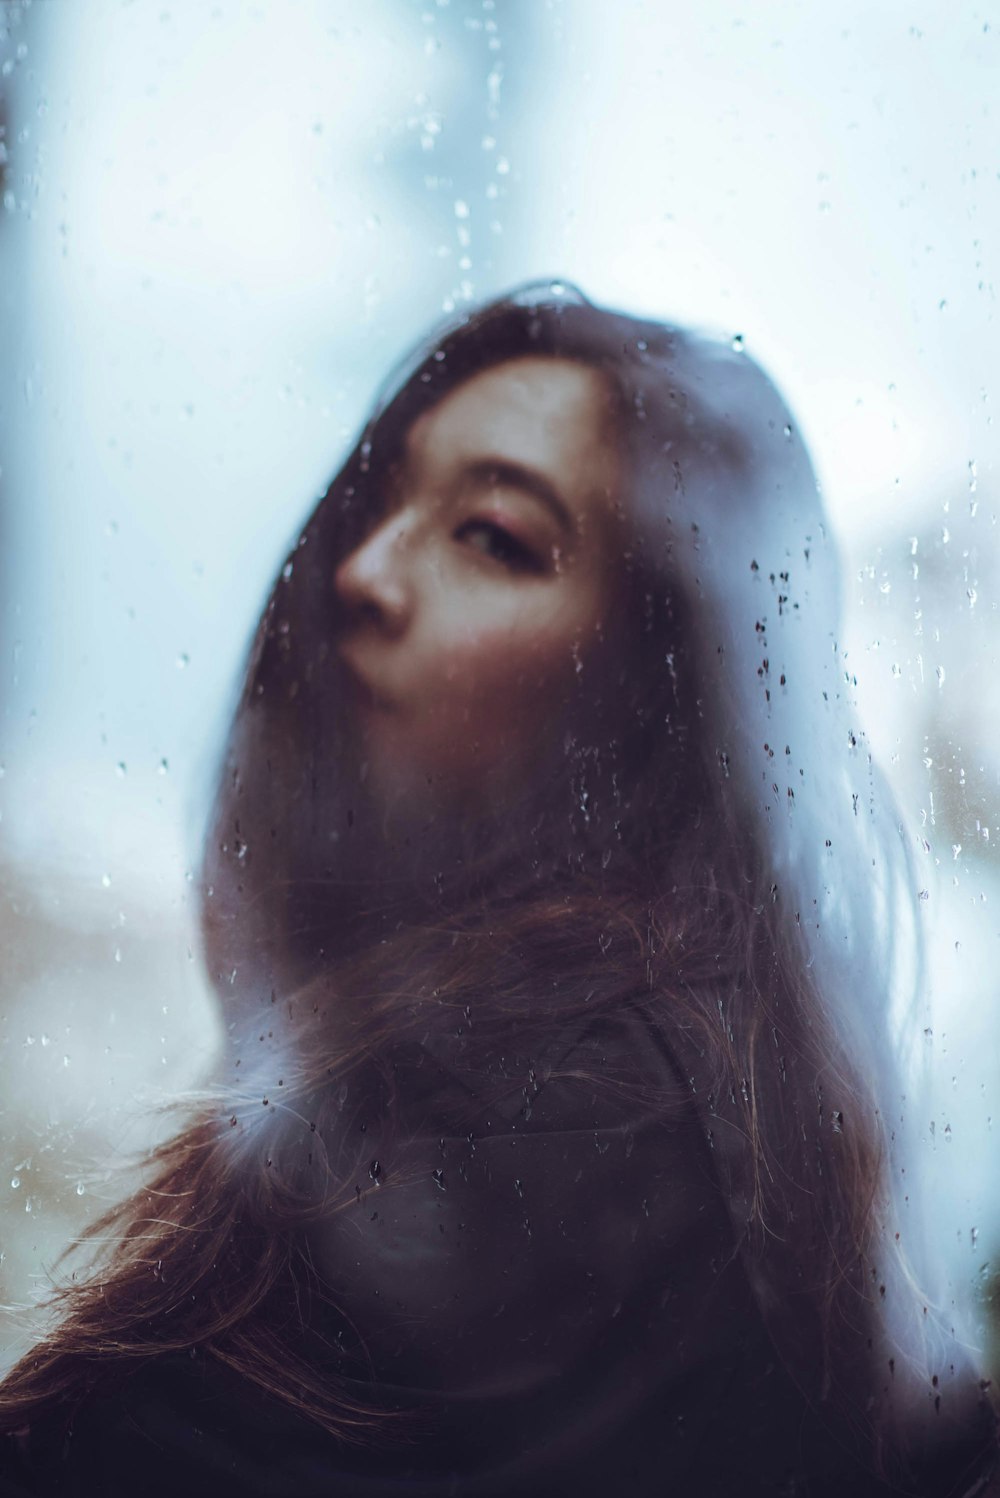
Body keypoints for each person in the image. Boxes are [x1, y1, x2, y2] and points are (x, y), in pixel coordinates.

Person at [0, 283, 996, 1496]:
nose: (361, 573)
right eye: (374, 505)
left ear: (647, 692)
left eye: (493, 537)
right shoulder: (665, 1099)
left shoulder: (560, 1115)